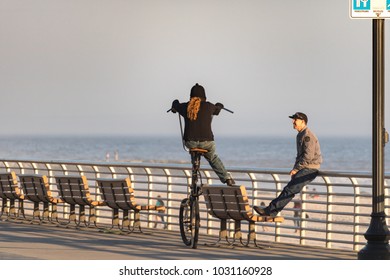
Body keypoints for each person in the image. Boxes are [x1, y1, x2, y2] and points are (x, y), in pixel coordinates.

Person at [254, 112, 322, 217]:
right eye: (293, 119)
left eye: (295, 120)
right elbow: (300, 156)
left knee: (289, 190)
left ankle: (270, 211)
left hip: (310, 169)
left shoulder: (307, 135)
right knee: (289, 190)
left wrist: (297, 169)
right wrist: (296, 169)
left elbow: (308, 156)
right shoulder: (301, 134)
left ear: (302, 121)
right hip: (305, 168)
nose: (293, 121)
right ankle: (271, 211)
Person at [170, 83, 235, 186]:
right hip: (207, 142)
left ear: (191, 96)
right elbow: (217, 111)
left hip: (190, 142)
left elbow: (175, 106)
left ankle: (194, 178)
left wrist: (175, 103)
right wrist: (219, 105)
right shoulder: (209, 106)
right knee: (212, 158)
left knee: (194, 151)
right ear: (204, 96)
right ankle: (227, 179)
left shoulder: (185, 107)